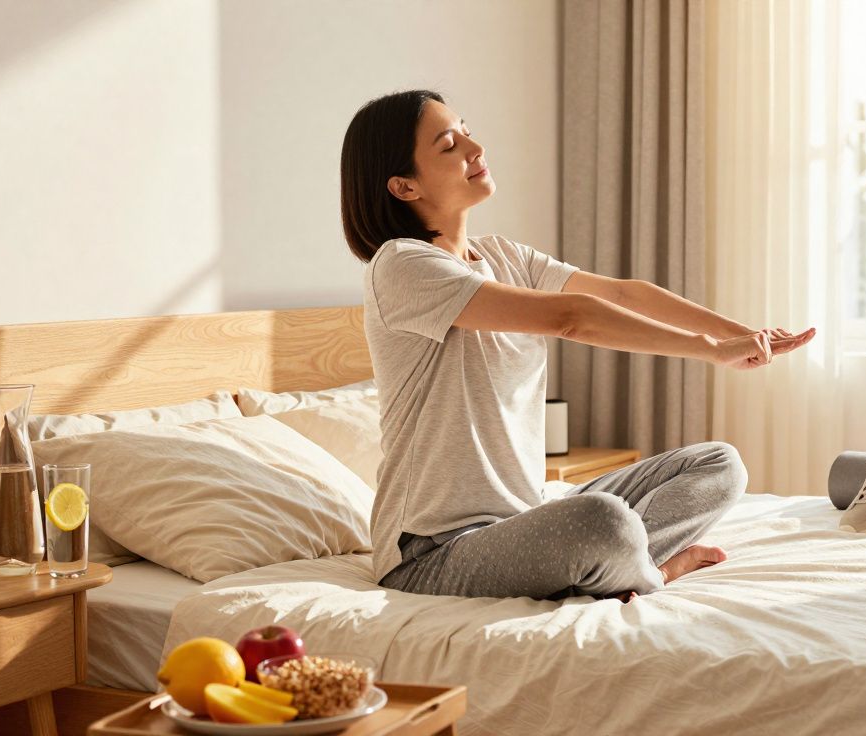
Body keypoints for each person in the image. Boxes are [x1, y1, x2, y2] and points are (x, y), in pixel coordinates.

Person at [339, 89, 816, 604]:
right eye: (449, 144)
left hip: (526, 519)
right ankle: (654, 571)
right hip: (431, 552)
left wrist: (739, 334)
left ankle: (625, 563)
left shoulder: (502, 255)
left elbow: (619, 293)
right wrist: (708, 349)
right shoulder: (401, 266)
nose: (475, 148)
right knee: (602, 521)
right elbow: (572, 318)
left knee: (720, 465)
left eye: (467, 130)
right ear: (404, 185)